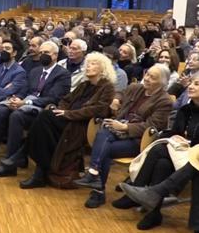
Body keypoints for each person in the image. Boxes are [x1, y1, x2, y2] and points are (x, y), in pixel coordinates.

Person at [113, 73, 199, 230]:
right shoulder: (186, 109)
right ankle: (154, 213)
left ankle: (137, 189)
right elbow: (174, 132)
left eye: (197, 84)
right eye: (191, 83)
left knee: (158, 149)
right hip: (178, 153)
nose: (190, 86)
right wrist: (175, 136)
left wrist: (191, 143)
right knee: (162, 163)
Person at [73, 64, 172, 208]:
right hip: (117, 131)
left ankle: (97, 188)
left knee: (104, 148)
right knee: (104, 134)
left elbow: (153, 126)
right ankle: (95, 178)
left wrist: (126, 127)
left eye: (152, 77)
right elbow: (120, 92)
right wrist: (116, 99)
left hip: (138, 139)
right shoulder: (136, 88)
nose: (147, 78)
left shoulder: (164, 101)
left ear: (162, 83)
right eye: (147, 74)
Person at [19, 53, 116, 188]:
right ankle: (40, 170)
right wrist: (61, 110)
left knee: (44, 118)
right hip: (68, 119)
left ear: (103, 68)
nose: (88, 66)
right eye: (88, 63)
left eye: (93, 64)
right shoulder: (84, 85)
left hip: (83, 125)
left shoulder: (107, 87)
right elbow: (66, 99)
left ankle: (29, 161)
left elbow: (98, 110)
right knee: (45, 123)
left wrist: (67, 113)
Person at [0, 41, 71, 174]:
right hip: (24, 102)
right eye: (42, 52)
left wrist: (26, 103)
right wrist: (17, 99)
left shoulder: (62, 74)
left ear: (55, 55)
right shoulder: (35, 71)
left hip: (42, 109)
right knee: (1, 110)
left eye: (47, 53)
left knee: (16, 116)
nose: (43, 55)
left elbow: (54, 98)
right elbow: (24, 90)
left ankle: (10, 163)